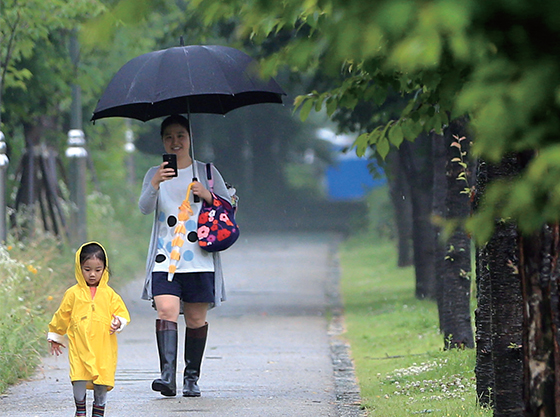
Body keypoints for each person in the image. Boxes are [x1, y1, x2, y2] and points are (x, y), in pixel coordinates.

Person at [138, 114, 231, 397]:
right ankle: (167, 376)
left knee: (195, 320)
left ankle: (191, 378)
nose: (175, 141)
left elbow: (228, 208)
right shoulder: (156, 172)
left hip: (199, 258)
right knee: (166, 310)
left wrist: (208, 195)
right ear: (162, 141)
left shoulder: (207, 172)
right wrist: (154, 183)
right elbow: (143, 208)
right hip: (165, 258)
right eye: (169, 137)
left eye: (180, 135)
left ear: (190, 138)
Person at [47, 242, 130, 417]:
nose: (92, 274)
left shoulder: (109, 294)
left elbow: (122, 313)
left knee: (102, 380)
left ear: (104, 269)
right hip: (80, 345)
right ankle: (80, 410)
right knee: (78, 377)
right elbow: (62, 315)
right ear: (79, 268)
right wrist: (56, 335)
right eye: (87, 269)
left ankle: (99, 411)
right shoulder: (73, 293)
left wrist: (118, 323)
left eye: (98, 270)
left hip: (103, 347)